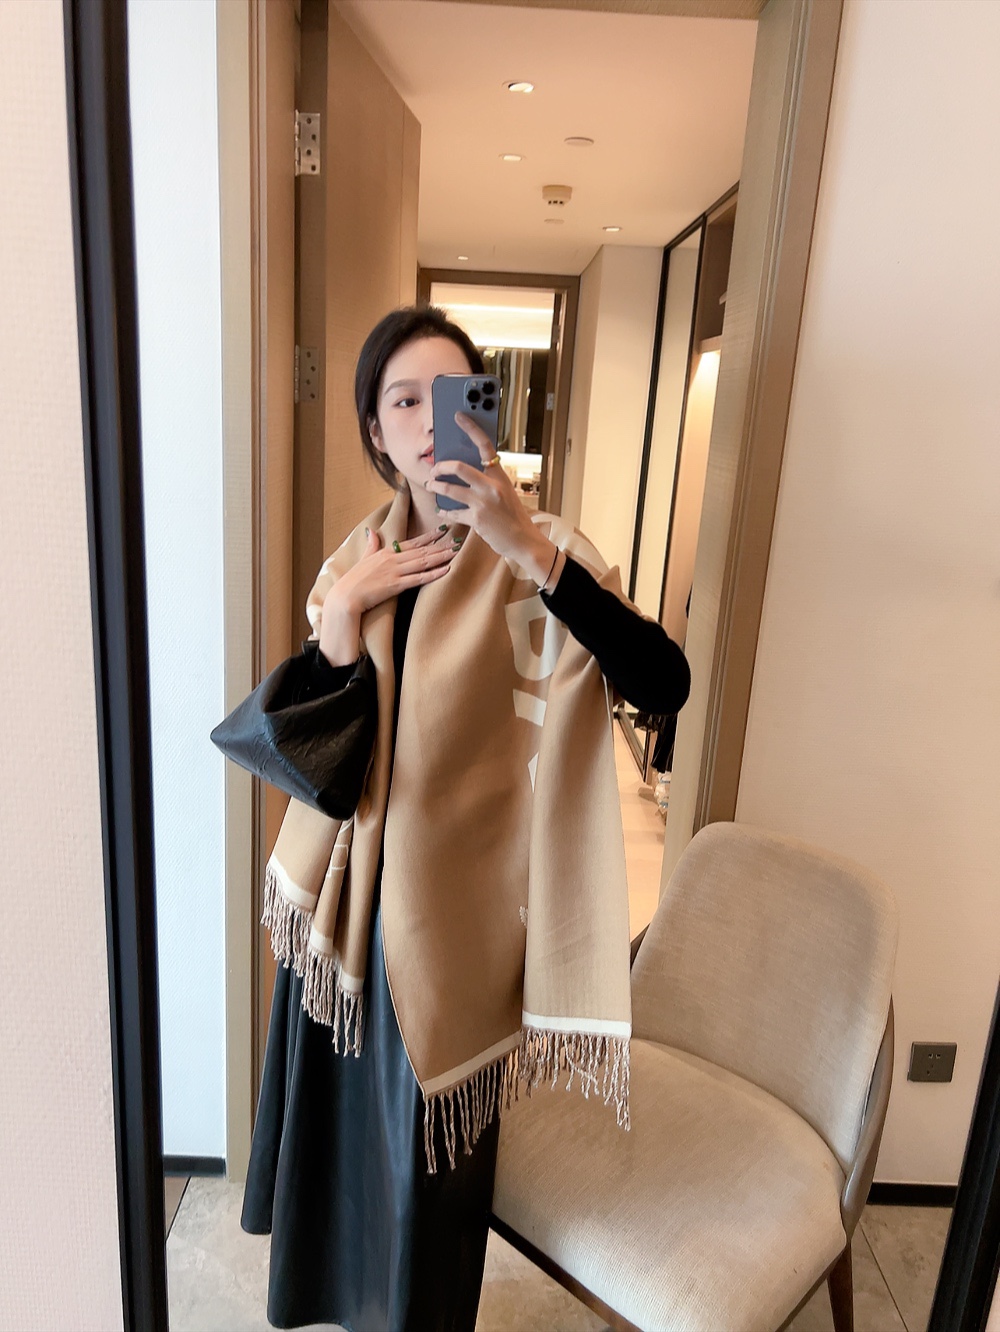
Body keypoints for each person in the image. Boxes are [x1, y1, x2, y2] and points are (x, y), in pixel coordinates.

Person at [237, 306, 691, 1331]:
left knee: (430, 1186)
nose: (427, 424)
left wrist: (528, 550)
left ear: (483, 412)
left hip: (463, 922)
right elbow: (323, 761)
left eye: (449, 398)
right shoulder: (358, 561)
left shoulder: (544, 550)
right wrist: (342, 617)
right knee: (344, 1168)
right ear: (375, 430)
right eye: (403, 402)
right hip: (349, 918)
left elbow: (662, 684)